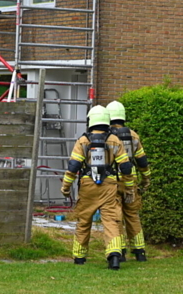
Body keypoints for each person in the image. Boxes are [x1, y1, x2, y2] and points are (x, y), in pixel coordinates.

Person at [60, 104, 135, 269]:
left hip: (88, 187)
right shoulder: (114, 140)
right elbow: (125, 168)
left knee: (84, 221)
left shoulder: (83, 140)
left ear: (90, 121)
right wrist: (129, 189)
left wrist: (65, 187)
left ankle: (79, 257)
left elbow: (73, 167)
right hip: (109, 186)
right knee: (111, 221)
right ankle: (114, 256)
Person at [107, 100, 152, 262]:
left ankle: (120, 252)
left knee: (115, 216)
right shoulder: (133, 135)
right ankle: (140, 252)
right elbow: (142, 161)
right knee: (132, 215)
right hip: (131, 181)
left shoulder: (107, 136)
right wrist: (146, 178)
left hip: (113, 181)